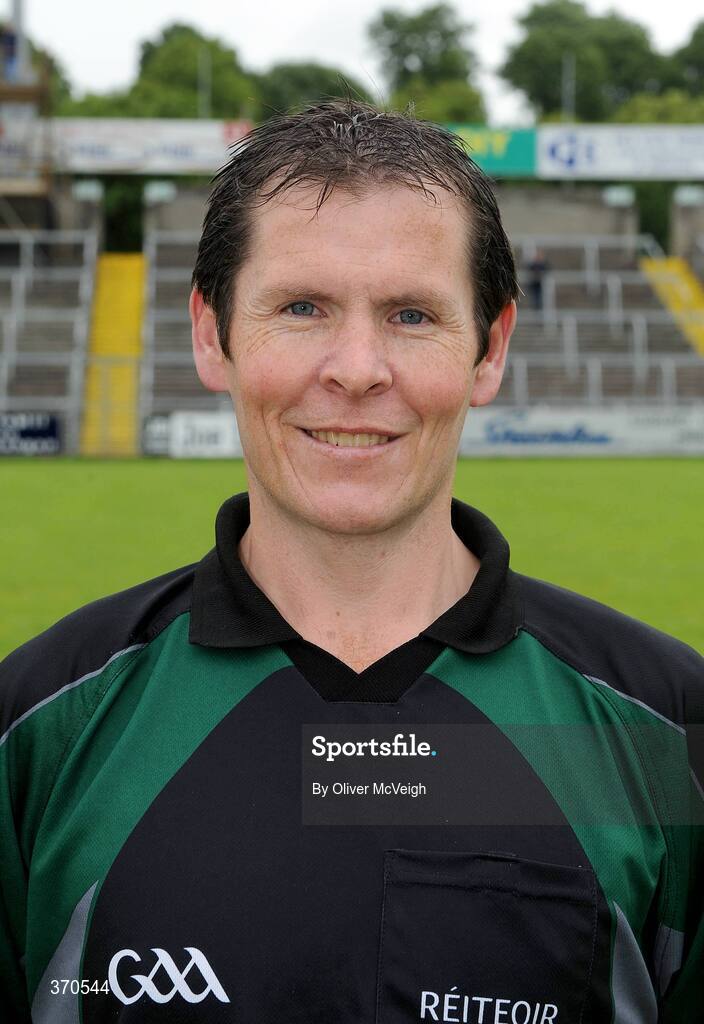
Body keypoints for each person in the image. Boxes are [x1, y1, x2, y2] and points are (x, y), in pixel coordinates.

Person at [1, 99, 702, 1023]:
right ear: (211, 334)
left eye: (412, 314)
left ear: (489, 350)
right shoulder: (38, 729)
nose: (358, 368)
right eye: (302, 308)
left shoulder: (668, 731)